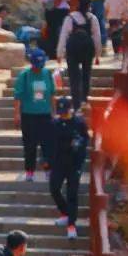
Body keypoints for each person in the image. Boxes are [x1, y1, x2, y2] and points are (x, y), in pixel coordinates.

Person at [13, 47, 57, 180]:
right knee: (30, 146)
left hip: (45, 115)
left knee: (47, 145)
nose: (38, 68)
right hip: (29, 115)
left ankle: (48, 170)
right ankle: (29, 172)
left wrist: (54, 112)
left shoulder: (47, 74)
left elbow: (52, 94)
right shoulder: (24, 75)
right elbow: (18, 96)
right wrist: (17, 114)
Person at [49, 96, 89, 240]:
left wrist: (78, 146)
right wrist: (47, 160)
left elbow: (85, 140)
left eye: (65, 111)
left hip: (74, 163)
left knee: (72, 193)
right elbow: (50, 143)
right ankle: (66, 213)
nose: (63, 115)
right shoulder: (55, 123)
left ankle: (71, 225)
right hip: (59, 162)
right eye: (61, 112)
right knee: (54, 188)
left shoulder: (78, 123)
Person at [57, 0, 101, 110]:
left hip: (73, 49)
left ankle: (76, 103)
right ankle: (84, 100)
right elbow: (97, 37)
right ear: (89, 6)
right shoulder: (93, 18)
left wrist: (59, 53)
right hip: (87, 48)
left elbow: (63, 36)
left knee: (74, 77)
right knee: (86, 75)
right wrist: (98, 54)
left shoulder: (70, 18)